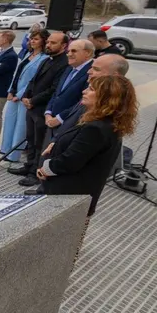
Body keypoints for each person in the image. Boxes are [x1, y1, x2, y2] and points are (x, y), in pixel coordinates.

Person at [37, 75, 137, 217]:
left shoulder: (96, 128)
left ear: (106, 97)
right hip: (74, 196)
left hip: (66, 197)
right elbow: (82, 148)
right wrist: (56, 145)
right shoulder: (105, 122)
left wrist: (45, 169)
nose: (84, 91)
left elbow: (71, 161)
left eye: (90, 89)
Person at [13, 32, 70, 186]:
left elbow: (53, 89)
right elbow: (33, 80)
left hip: (42, 109)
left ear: (64, 46)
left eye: (53, 43)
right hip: (31, 106)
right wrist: (26, 96)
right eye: (48, 42)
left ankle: (35, 172)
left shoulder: (64, 63)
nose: (48, 45)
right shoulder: (47, 59)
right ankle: (29, 165)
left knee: (39, 143)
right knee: (30, 139)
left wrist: (33, 100)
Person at [0, 30, 50, 161]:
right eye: (31, 39)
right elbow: (18, 73)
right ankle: (5, 149)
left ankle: (14, 155)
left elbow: (32, 80)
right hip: (14, 92)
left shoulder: (44, 59)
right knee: (9, 121)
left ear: (44, 41)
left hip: (25, 96)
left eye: (36, 39)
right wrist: (11, 90)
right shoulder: (28, 54)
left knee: (20, 126)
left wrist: (20, 94)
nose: (32, 41)